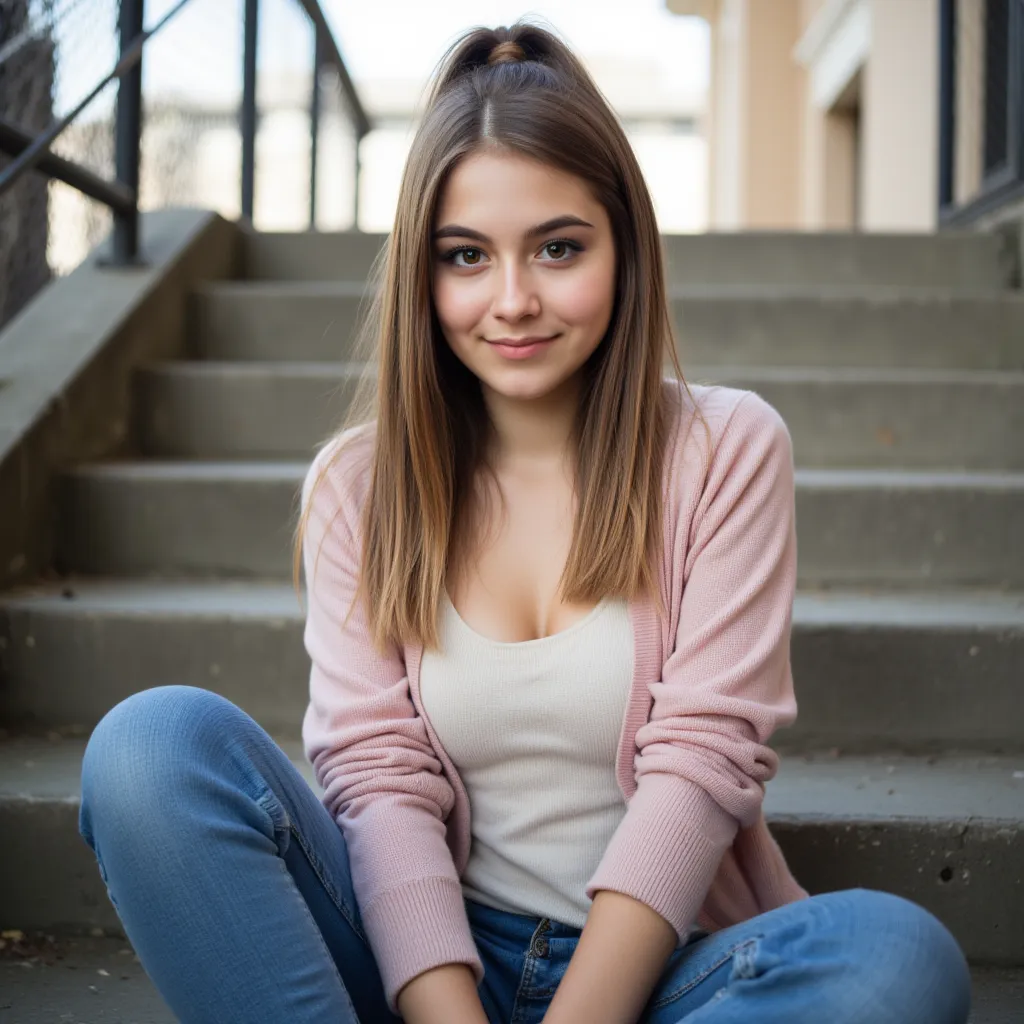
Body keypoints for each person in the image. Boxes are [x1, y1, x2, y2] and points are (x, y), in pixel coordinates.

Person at [78, 20, 972, 1024]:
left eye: (556, 248)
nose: (512, 301)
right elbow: (379, 782)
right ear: (423, 271)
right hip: (423, 963)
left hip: (659, 973)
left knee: (896, 959)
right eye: (465, 256)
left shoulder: (725, 450)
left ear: (623, 247)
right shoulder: (358, 484)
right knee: (149, 750)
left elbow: (699, 766)